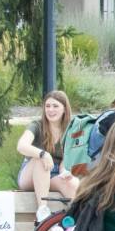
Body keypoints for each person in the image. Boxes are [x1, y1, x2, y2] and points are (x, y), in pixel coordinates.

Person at [18, 89, 78, 222]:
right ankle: (43, 212)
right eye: (48, 106)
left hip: (54, 174)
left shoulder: (71, 130)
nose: (51, 110)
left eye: (55, 106)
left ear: (64, 109)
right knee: (41, 161)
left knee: (72, 183)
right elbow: (21, 145)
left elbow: (65, 161)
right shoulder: (37, 125)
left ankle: (77, 219)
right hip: (31, 173)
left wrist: (65, 173)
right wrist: (42, 154)